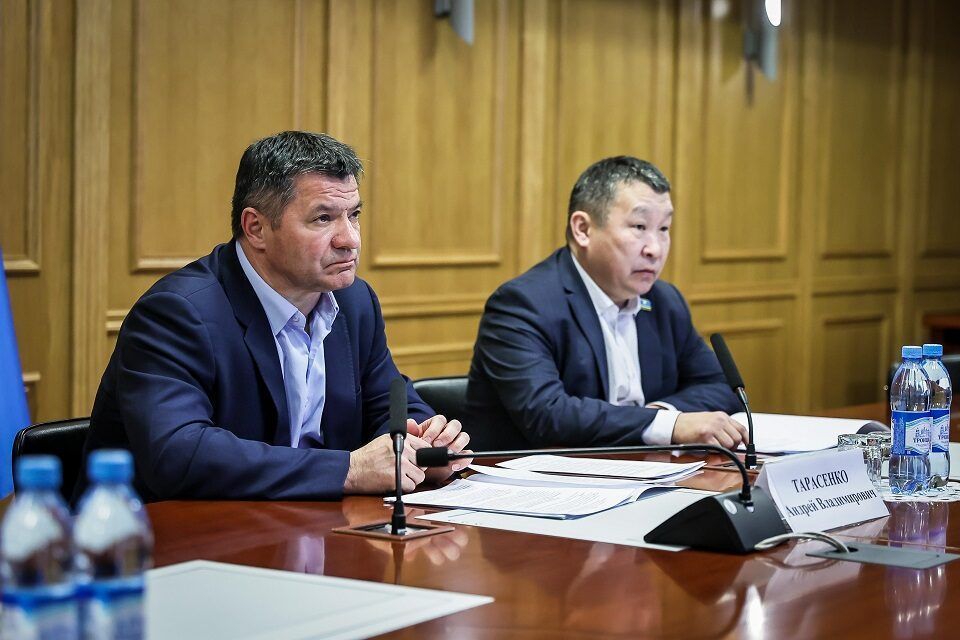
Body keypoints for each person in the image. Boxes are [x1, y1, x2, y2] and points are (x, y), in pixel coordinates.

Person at [78, 131, 471, 502]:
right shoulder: (178, 313)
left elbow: (389, 404)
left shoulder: (354, 302)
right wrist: (348, 470)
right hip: (165, 534)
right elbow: (178, 454)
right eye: (323, 219)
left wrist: (424, 444)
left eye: (353, 215)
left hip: (309, 527)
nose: (350, 239)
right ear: (256, 228)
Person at [466, 156, 746, 451]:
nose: (655, 249)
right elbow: (548, 415)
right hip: (536, 475)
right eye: (639, 226)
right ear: (583, 229)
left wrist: (660, 415)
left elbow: (722, 388)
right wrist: (668, 425)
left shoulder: (664, 302)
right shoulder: (523, 305)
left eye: (664, 229)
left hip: (643, 469)